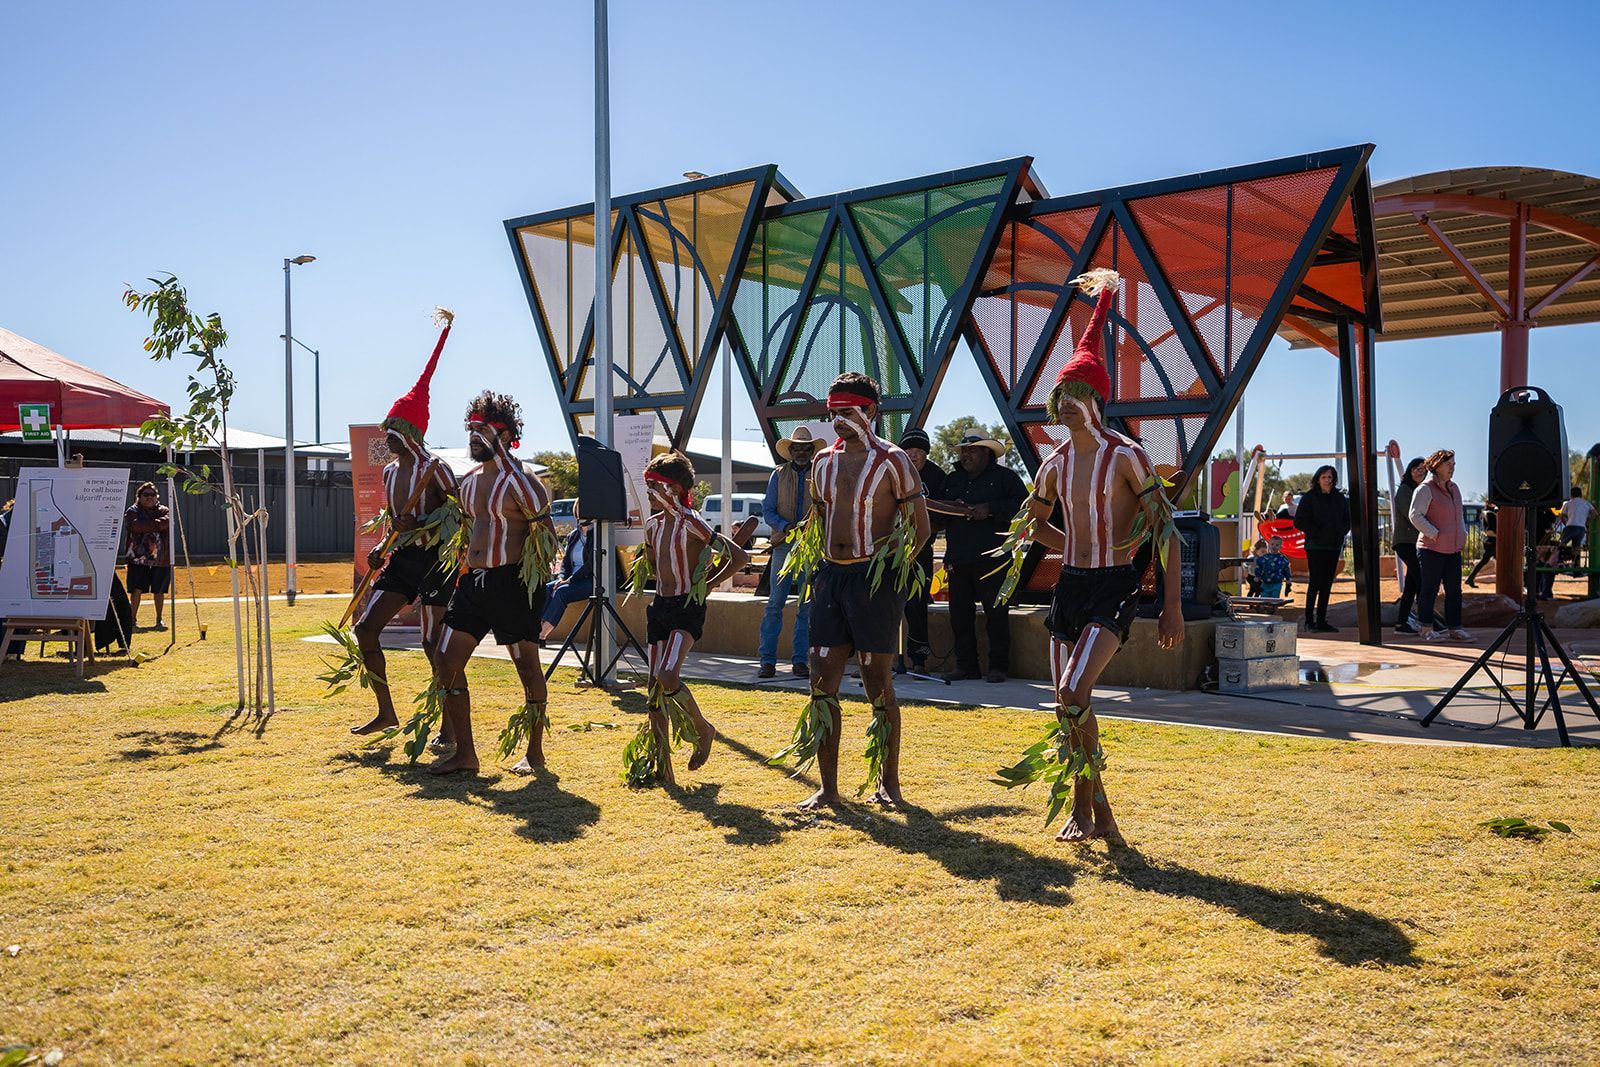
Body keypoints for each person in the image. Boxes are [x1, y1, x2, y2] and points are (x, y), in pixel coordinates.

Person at [1005, 269, 1183, 843]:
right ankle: (1098, 814)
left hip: (1114, 587)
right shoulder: (1052, 463)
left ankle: (1087, 814)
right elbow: (1035, 529)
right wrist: (1070, 546)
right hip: (1071, 584)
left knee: (1072, 693)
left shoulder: (1128, 456)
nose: (1068, 405)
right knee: (1067, 709)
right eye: (1063, 395)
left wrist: (1173, 608)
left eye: (1080, 395)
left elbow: (1167, 535)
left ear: (1098, 400)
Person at [772, 372, 930, 810]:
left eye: (847, 412)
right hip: (830, 577)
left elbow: (920, 529)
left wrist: (890, 578)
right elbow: (819, 520)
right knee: (821, 679)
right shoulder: (822, 463)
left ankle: (889, 783)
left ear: (870, 411)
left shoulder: (893, 461)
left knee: (877, 680)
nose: (838, 421)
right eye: (833, 413)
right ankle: (828, 787)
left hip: (874, 580)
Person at [429, 391, 559, 775]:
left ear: (503, 435)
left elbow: (547, 537)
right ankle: (466, 754)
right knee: (445, 660)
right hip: (473, 584)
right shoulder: (467, 483)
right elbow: (468, 534)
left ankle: (534, 754)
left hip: (514, 585)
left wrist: (537, 583)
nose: (473, 436)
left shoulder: (524, 482)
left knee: (528, 670)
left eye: (482, 429)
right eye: (471, 428)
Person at [349, 312, 461, 737]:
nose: (386, 438)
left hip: (436, 561)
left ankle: (450, 727)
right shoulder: (391, 473)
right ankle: (386, 711)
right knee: (365, 629)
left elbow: (459, 519)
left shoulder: (437, 469)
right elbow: (396, 523)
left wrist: (427, 525)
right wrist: (384, 548)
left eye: (393, 431)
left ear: (410, 432)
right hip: (404, 559)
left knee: (433, 645)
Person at [630, 451, 749, 785]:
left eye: (655, 486)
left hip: (687, 606)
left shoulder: (693, 521)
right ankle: (663, 769)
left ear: (673, 489)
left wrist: (706, 584)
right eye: (647, 486)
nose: (649, 493)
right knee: (654, 689)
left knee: (668, 673)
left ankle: (702, 728)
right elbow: (654, 566)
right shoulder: (652, 526)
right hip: (661, 605)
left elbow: (739, 556)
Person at [931, 431, 1026, 683]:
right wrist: (951, 509)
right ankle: (966, 666)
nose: (965, 455)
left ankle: (998, 667)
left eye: (971, 450)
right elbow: (938, 515)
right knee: (959, 616)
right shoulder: (952, 480)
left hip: (993, 559)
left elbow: (1024, 507)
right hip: (958, 559)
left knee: (996, 615)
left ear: (987, 452)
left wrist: (991, 509)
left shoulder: (1006, 479)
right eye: (963, 450)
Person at [757, 425, 819, 679]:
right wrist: (786, 527)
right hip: (783, 544)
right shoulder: (778, 475)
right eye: (798, 448)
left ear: (812, 450)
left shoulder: (819, 474)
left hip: (810, 546)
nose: (802, 452)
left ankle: (800, 661)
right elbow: (768, 510)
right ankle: (767, 661)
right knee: (775, 604)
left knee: (806, 606)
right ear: (791, 451)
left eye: (806, 448)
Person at [1408, 449, 1471, 642]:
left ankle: (1455, 628)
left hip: (1453, 549)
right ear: (1436, 466)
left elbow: (1459, 515)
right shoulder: (1425, 489)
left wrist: (1463, 534)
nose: (1452, 468)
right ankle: (1426, 629)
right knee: (1429, 589)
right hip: (1431, 549)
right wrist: (1434, 533)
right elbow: (1415, 515)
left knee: (1454, 591)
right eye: (1448, 464)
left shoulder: (1455, 488)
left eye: (1453, 464)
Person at [897, 427, 945, 673]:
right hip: (891, 549)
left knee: (917, 605)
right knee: (882, 604)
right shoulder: (893, 471)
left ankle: (919, 660)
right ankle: (881, 658)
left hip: (922, 548)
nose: (913, 455)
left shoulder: (937, 476)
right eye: (909, 450)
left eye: (919, 451)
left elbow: (945, 515)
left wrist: (924, 524)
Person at [1293, 466, 1350, 633]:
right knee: (1315, 583)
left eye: (1330, 477)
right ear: (1318, 478)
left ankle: (1322, 621)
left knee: (1327, 584)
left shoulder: (1339, 498)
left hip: (1333, 546)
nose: (1327, 480)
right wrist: (1318, 532)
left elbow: (1347, 519)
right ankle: (1309, 621)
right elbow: (1299, 521)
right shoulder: (1309, 498)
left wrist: (1340, 532)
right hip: (1315, 546)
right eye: (1324, 477)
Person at [124, 482, 173, 629]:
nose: (149, 497)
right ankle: (132, 621)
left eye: (152, 495)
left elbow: (167, 523)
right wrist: (156, 525)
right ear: (139, 497)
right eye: (146, 495)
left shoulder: (164, 510)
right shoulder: (132, 511)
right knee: (136, 590)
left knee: (159, 590)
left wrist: (146, 525)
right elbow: (135, 526)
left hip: (161, 559)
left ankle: (159, 620)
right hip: (138, 559)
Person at [539, 519, 596, 643]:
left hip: (589, 581)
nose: (580, 515)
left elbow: (590, 565)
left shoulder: (597, 535)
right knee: (547, 588)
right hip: (570, 579)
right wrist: (561, 578)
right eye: (578, 511)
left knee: (561, 592)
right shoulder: (574, 535)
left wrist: (570, 580)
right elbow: (565, 563)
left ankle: (541, 635)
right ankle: (536, 627)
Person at [1392, 456, 1426, 631]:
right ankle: (1425, 620)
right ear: (1409, 471)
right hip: (1405, 541)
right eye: (1416, 468)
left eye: (1422, 469)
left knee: (1412, 583)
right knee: (1421, 579)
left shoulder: (1423, 490)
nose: (1419, 471)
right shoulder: (1405, 490)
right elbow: (1412, 516)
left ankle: (1402, 621)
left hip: (1418, 542)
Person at [1465, 501, 1497, 589]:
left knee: (1485, 561)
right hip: (1492, 541)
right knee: (1491, 560)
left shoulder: (1485, 513)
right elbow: (1492, 529)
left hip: (1489, 540)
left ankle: (1470, 578)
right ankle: (1470, 578)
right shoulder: (1490, 514)